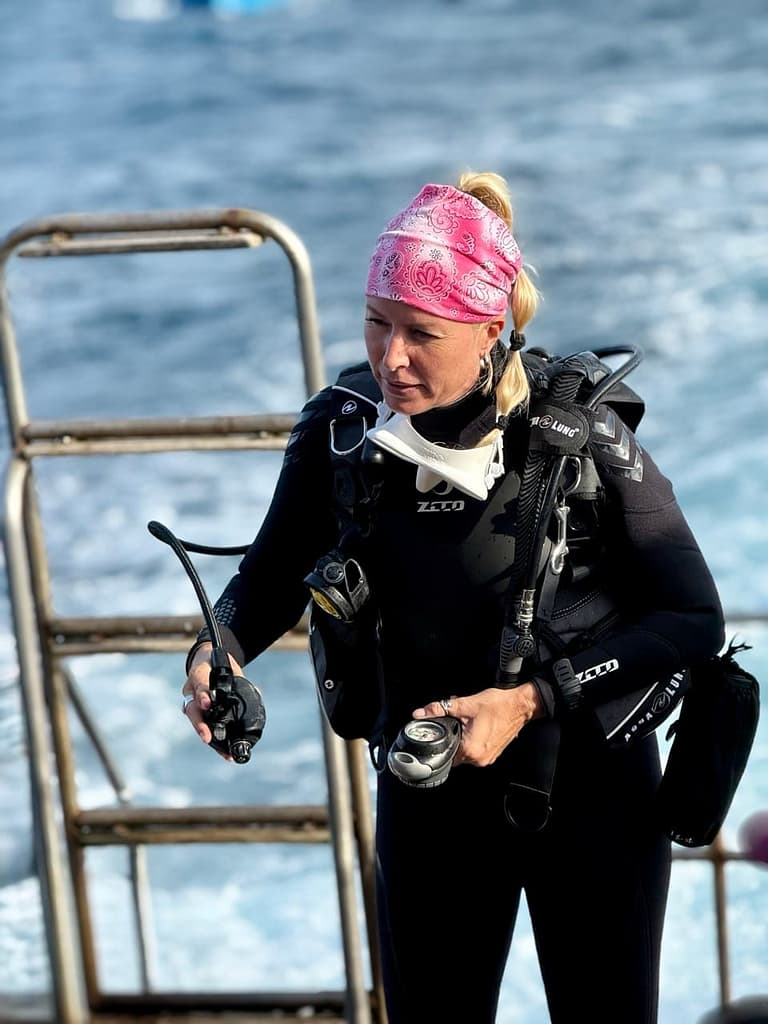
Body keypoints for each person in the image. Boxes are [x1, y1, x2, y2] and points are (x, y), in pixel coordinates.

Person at [181, 172, 725, 1023]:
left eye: (421, 333)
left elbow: (695, 620)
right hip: (426, 793)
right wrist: (219, 651)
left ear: (491, 329)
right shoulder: (342, 431)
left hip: (592, 793)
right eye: (376, 321)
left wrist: (531, 700)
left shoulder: (578, 439)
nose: (390, 356)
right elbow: (270, 575)